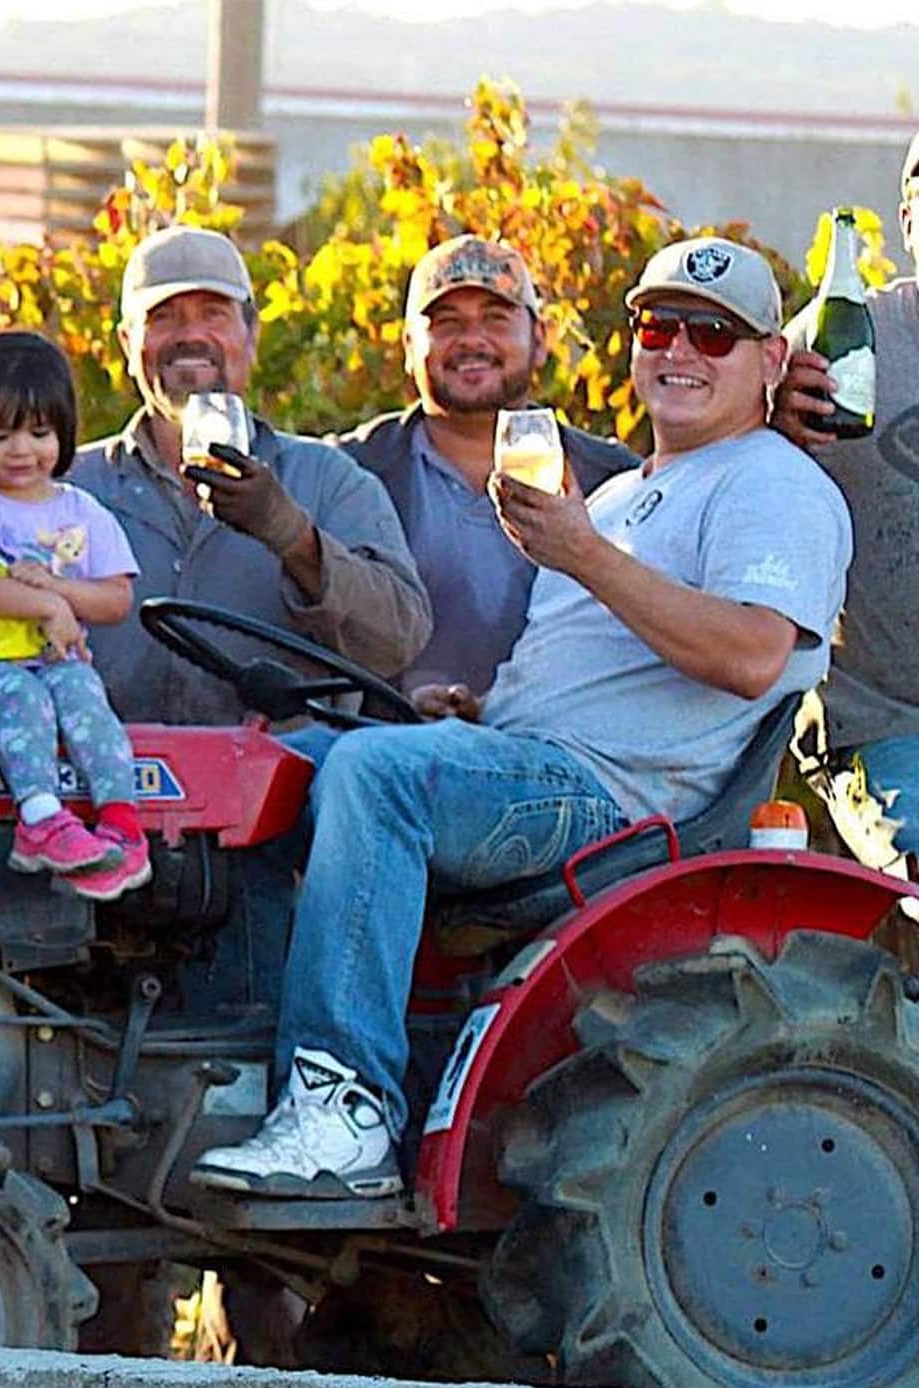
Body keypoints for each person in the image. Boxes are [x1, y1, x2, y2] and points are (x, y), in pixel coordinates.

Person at [191, 237, 850, 1200]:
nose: (681, 351)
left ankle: (343, 1111)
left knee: (378, 777)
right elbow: (583, 673)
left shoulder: (772, 485)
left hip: (615, 799)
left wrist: (585, 555)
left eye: (715, 334)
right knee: (257, 769)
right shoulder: (622, 494)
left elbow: (753, 656)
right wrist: (470, 712)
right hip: (527, 757)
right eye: (660, 326)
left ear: (772, 361)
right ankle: (227, 1065)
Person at [70, 225, 430, 727]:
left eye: (213, 314)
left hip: (283, 796)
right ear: (129, 343)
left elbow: (397, 641)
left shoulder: (329, 482)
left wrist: (293, 537)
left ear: (251, 335)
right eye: (164, 317)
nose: (189, 335)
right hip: (100, 794)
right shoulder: (69, 487)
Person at [337, 235, 638, 692]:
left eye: (496, 319)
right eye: (447, 323)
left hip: (560, 748)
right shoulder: (350, 473)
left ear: (539, 340)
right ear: (408, 346)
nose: (471, 340)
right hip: (391, 744)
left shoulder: (612, 479)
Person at [0, 331, 149, 900]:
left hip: (55, 660)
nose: (21, 450)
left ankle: (120, 819)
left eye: (38, 433)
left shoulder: (82, 512)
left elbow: (116, 598)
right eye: (1, 434)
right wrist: (45, 604)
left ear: (62, 433)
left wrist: (59, 590)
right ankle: (39, 817)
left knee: (87, 693)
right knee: (24, 697)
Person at [774, 131, 919, 882]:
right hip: (887, 725)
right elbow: (730, 474)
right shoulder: (847, 334)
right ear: (906, 215)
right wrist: (774, 430)